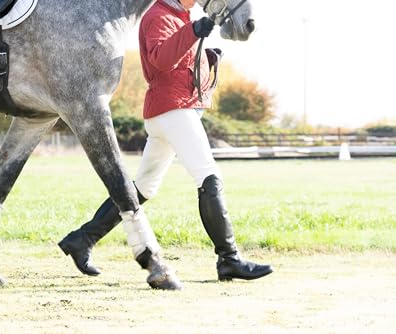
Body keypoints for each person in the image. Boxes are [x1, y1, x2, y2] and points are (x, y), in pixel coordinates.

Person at [59, 0, 273, 281]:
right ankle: (229, 258)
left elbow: (180, 63)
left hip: (169, 111)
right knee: (209, 177)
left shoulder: (180, 16)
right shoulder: (158, 15)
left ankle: (82, 239)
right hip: (172, 110)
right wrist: (194, 31)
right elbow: (160, 59)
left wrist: (205, 55)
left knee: (144, 187)